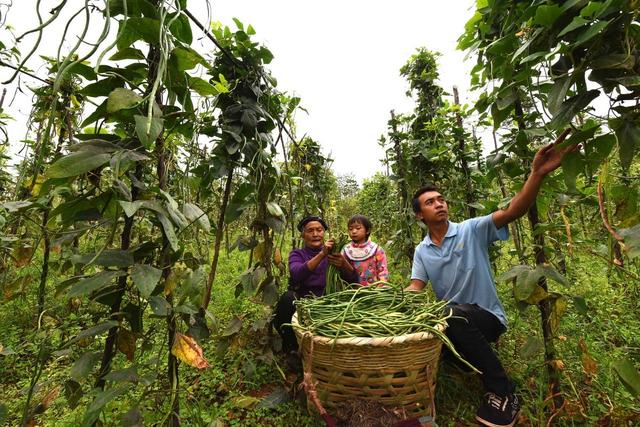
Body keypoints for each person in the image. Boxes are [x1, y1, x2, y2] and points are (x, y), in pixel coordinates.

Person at [406, 131, 575, 427]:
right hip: (450, 324)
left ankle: (503, 391)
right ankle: (462, 363)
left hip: (485, 318)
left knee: (451, 314)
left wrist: (536, 174)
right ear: (420, 215)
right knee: (424, 339)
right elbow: (416, 287)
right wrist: (395, 304)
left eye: (441, 199)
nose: (440, 204)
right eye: (431, 202)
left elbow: (514, 210)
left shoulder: (471, 229)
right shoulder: (423, 250)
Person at [272, 215, 360, 356]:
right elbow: (297, 274)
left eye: (319, 230)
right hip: (304, 301)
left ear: (323, 233)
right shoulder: (297, 254)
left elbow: (354, 280)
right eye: (310, 230)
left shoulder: (336, 254)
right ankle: (292, 347)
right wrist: (321, 254)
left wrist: (344, 264)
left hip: (329, 301)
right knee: (287, 299)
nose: (315, 234)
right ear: (303, 235)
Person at [342, 214, 390, 285]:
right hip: (352, 292)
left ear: (367, 231)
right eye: (351, 229)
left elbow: (383, 272)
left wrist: (381, 288)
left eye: (358, 228)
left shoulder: (377, 250)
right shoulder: (346, 250)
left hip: (374, 291)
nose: (354, 231)